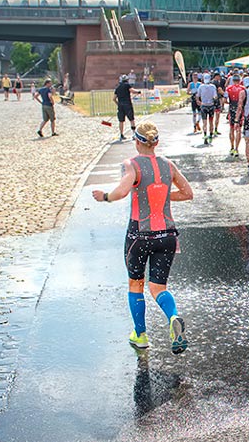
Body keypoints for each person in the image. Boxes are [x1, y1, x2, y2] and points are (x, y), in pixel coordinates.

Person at [91, 121, 194, 354]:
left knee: (136, 284)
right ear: (156, 142)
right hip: (167, 235)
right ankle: (173, 317)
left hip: (139, 235)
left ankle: (140, 335)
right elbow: (188, 193)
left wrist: (105, 196)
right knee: (158, 287)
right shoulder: (168, 165)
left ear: (137, 142)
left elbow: (122, 191)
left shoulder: (131, 164)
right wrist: (163, 195)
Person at [225, 74, 246, 157]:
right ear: (240, 80)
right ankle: (237, 148)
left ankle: (232, 147)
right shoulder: (243, 88)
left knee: (231, 128)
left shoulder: (228, 88)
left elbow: (225, 100)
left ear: (233, 80)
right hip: (240, 109)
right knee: (239, 129)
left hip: (232, 108)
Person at [115, 74, 140, 141]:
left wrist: (118, 104)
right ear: (127, 80)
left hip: (120, 106)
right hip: (127, 105)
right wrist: (138, 92)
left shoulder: (118, 88)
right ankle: (134, 134)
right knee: (131, 119)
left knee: (121, 121)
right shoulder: (127, 85)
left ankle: (121, 134)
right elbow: (132, 91)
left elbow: (114, 98)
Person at [196, 73, 219, 145]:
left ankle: (205, 135)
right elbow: (215, 96)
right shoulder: (213, 86)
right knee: (211, 122)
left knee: (204, 122)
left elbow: (197, 95)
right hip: (211, 105)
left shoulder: (201, 86)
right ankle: (211, 135)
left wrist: (198, 101)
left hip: (204, 105)